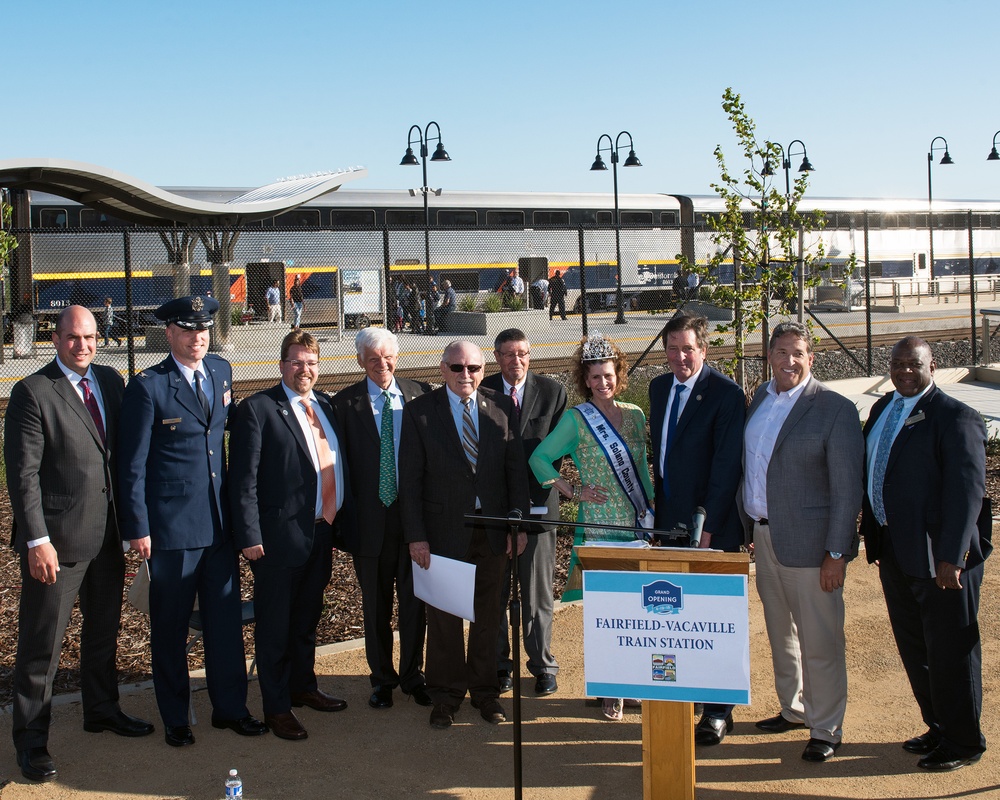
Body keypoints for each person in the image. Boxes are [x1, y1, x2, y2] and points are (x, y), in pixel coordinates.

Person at [4, 306, 154, 783]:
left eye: (90, 337)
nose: (84, 345)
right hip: (58, 542)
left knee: (103, 631)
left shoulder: (110, 381)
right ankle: (32, 742)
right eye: (74, 337)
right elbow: (23, 476)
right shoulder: (32, 392)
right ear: (55, 339)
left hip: (107, 536)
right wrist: (37, 540)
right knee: (41, 647)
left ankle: (102, 709)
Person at [118, 295, 267, 748]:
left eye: (203, 330)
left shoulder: (220, 370)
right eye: (187, 329)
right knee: (171, 628)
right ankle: (176, 718)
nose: (197, 338)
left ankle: (230, 708)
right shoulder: (148, 386)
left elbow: (227, 434)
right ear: (169, 333)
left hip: (219, 527)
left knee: (224, 625)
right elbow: (132, 465)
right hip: (171, 531)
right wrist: (137, 527)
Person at [860, 336, 990, 772]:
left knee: (950, 650)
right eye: (897, 364)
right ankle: (938, 726)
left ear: (931, 365)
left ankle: (964, 740)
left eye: (913, 364)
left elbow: (968, 492)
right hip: (896, 549)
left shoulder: (956, 417)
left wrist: (953, 556)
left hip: (941, 559)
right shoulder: (882, 410)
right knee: (916, 647)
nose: (904, 371)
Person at [738, 321, 863, 763]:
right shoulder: (760, 399)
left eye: (797, 353)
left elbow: (847, 490)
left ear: (811, 358)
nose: (788, 361)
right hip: (765, 538)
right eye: (780, 352)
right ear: (768, 356)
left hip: (813, 549)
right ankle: (793, 709)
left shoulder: (834, 409)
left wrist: (836, 553)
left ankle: (826, 725)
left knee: (820, 640)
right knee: (781, 633)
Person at [229, 331, 353, 740]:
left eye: (312, 362)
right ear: (282, 365)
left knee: (305, 621)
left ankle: (303, 687)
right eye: (297, 362)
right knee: (275, 627)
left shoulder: (327, 406)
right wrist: (248, 534)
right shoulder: (259, 409)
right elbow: (243, 480)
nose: (305, 369)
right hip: (276, 541)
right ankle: (277, 707)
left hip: (320, 533)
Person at [399, 341, 530, 730]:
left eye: (473, 368)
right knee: (444, 620)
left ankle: (485, 693)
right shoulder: (420, 412)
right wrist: (416, 536)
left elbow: (515, 474)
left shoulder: (502, 409)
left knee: (489, 617)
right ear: (443, 369)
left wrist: (516, 525)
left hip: (491, 534)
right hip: (441, 536)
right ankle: (446, 696)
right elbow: (410, 482)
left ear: (482, 368)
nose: (465, 375)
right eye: (457, 367)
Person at [529, 332, 654, 721]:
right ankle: (608, 690)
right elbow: (539, 459)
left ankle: (631, 684)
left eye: (609, 375)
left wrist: (651, 512)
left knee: (637, 612)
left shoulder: (635, 414)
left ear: (620, 374)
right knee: (606, 614)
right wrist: (572, 490)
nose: (603, 383)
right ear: (585, 381)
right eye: (595, 377)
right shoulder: (576, 420)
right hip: (599, 530)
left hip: (636, 527)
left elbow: (644, 473)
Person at [648, 313, 744, 745]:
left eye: (688, 348)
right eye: (672, 348)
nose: (680, 357)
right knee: (677, 616)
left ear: (703, 349)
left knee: (713, 618)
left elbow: (726, 467)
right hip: (669, 524)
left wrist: (708, 524)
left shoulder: (726, 395)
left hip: (712, 526)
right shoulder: (658, 387)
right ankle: (685, 694)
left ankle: (718, 711)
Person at [331, 328, 433, 710]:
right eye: (373, 358)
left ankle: (413, 676)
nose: (382, 364)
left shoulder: (421, 394)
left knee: (414, 603)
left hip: (414, 523)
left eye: (388, 356)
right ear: (360, 360)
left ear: (397, 356)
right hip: (369, 525)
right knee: (374, 607)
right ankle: (382, 680)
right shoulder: (343, 404)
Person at [482, 329, 567, 697]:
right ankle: (500, 666)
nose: (516, 361)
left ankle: (542, 665)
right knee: (495, 591)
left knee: (537, 594)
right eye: (508, 354)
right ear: (497, 357)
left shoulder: (552, 392)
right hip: (493, 510)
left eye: (523, 354)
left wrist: (531, 497)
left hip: (538, 505)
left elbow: (556, 451)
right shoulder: (481, 389)